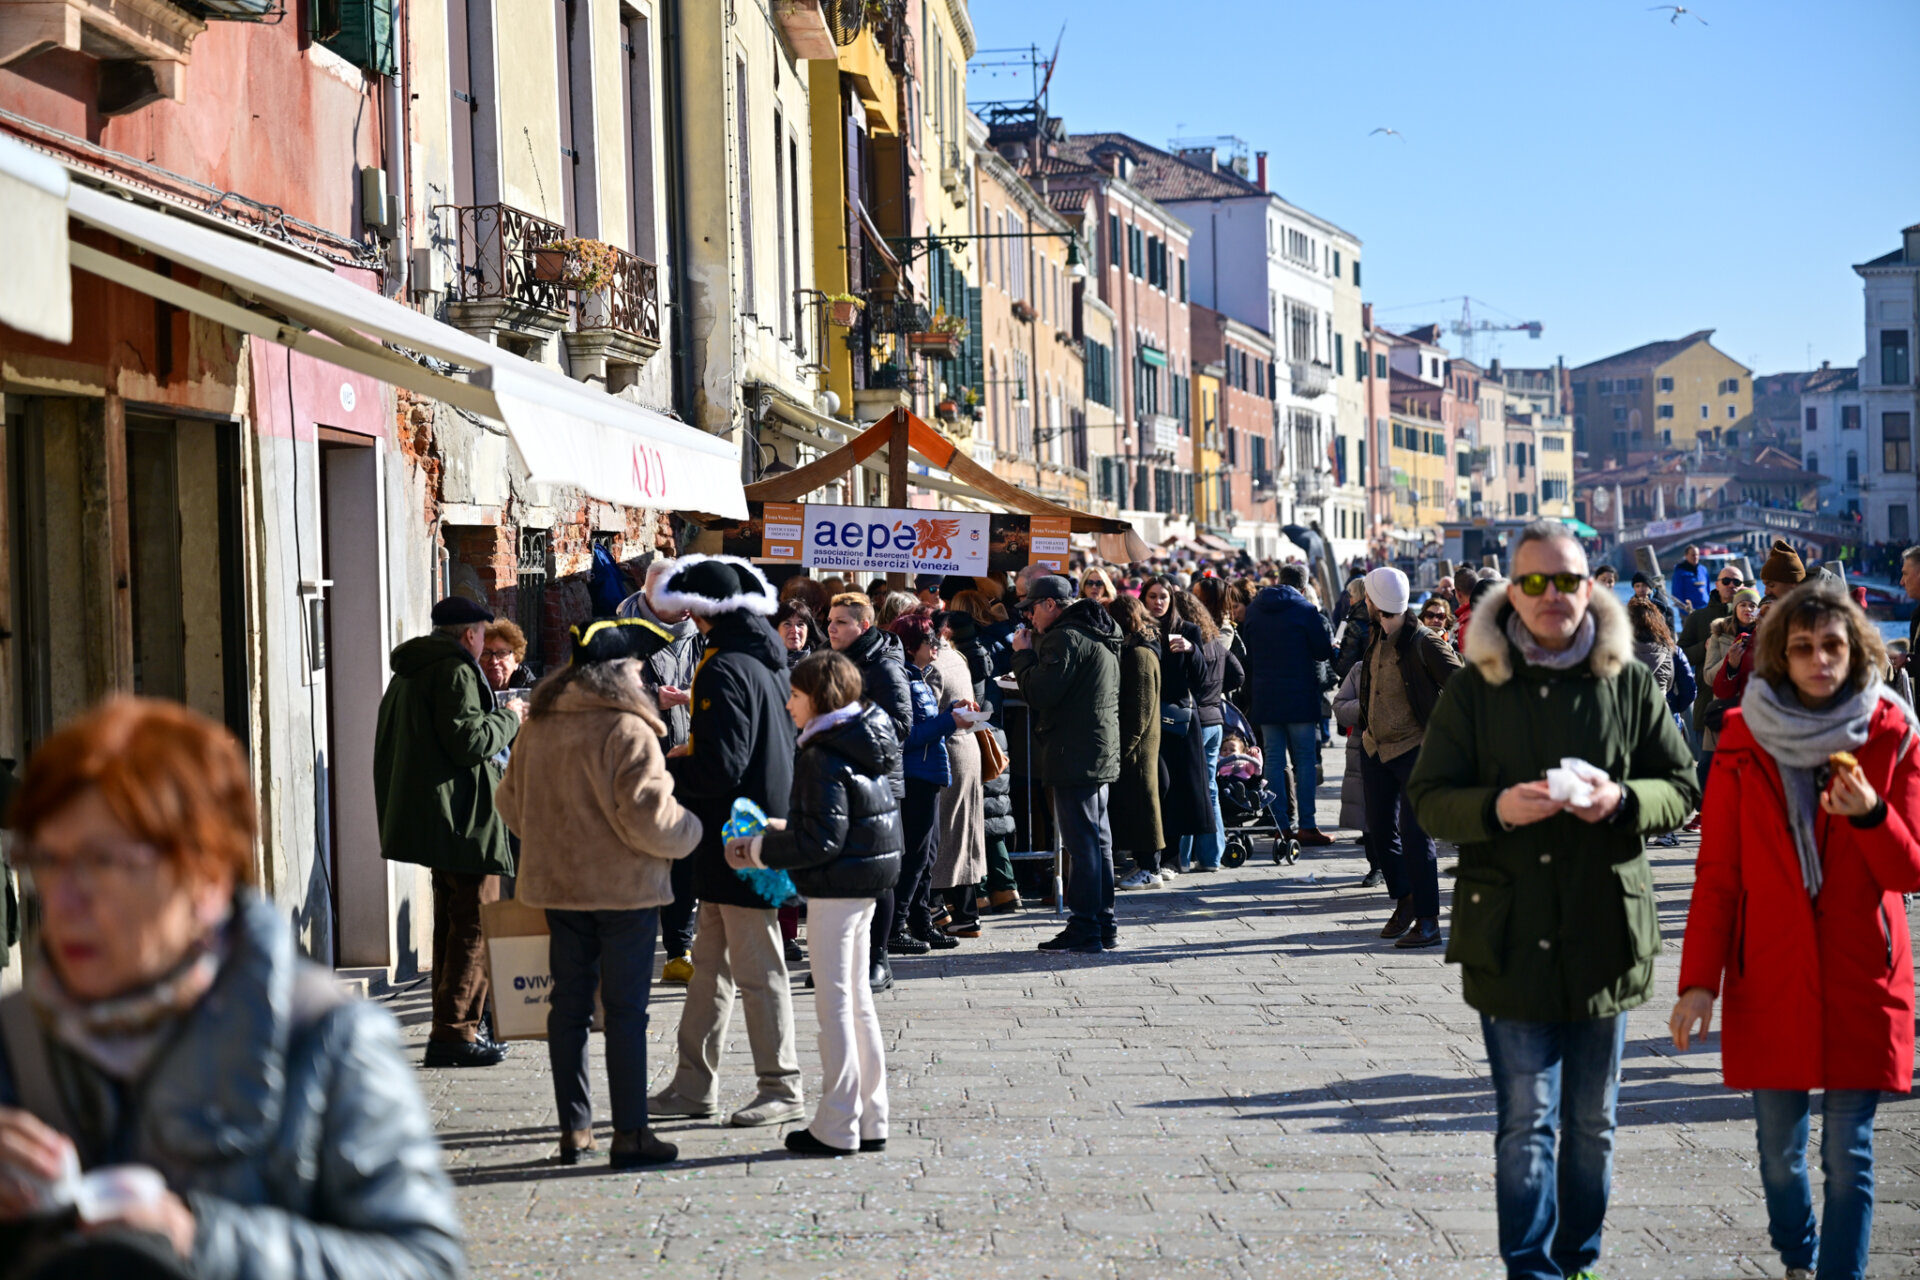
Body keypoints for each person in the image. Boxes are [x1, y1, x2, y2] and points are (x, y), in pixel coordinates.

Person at [0, 698, 462, 1277]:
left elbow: (424, 1263)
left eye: (103, 862)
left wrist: (199, 1239)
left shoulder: (324, 1035)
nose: (64, 901)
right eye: (46, 859)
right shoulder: (15, 1035)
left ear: (207, 878)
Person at [1406, 521, 1699, 1280]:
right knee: (1526, 1124)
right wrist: (1498, 808)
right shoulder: (1476, 686)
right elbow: (1430, 799)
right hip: (1510, 936)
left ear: (1590, 586)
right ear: (1511, 590)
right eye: (1533, 582)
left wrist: (1624, 799)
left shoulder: (1628, 679)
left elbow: (1682, 787)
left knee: (1592, 1124)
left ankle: (1579, 1263)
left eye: (1567, 580)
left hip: (1607, 930)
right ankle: (1529, 1271)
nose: (1552, 596)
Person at [1671, 582, 1920, 1280]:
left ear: (1856, 650)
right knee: (1779, 1157)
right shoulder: (1743, 741)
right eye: (1803, 647)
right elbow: (1718, 874)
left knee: (1851, 1157)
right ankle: (1797, 1256)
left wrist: (1870, 814)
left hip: (1861, 969)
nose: (1818, 660)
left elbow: (1910, 871)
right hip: (1770, 971)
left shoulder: (1892, 735)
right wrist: (1698, 985)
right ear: (1781, 654)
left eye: (1832, 646)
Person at [496, 621, 702, 1169]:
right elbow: (651, 819)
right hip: (623, 891)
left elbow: (510, 807)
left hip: (558, 888)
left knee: (567, 1006)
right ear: (620, 674)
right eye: (637, 669)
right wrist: (693, 832)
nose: (644, 678)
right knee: (624, 1011)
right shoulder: (626, 729)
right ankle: (631, 1134)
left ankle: (575, 1130)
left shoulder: (538, 724)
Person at [646, 556, 803, 1130]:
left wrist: (670, 773)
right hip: (740, 833)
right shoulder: (760, 658)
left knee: (759, 969)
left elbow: (723, 764)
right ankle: (693, 1084)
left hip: (742, 837)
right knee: (710, 967)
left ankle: (781, 1086)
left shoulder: (724, 667)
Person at [728, 651, 902, 1158]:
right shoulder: (860, 737)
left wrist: (755, 850)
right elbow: (839, 823)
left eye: (797, 695)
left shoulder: (822, 751)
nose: (789, 704)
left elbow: (823, 838)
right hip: (864, 879)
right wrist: (781, 831)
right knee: (856, 1005)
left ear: (819, 698)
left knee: (837, 1008)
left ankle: (837, 1123)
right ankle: (870, 1118)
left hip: (839, 886)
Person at [374, 596, 523, 1068]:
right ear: (470, 635)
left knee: (453, 922)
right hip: (465, 819)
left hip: (441, 817)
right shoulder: (455, 671)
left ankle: (452, 1026)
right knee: (474, 925)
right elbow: (470, 742)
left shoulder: (411, 670)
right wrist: (510, 717)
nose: (483, 644)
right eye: (482, 634)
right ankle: (457, 1032)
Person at [1011, 574, 1122, 952]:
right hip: (1094, 749)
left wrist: (1023, 655)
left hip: (1075, 753)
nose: (1028, 619)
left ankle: (1087, 925)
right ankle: (1102, 922)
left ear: (1049, 605)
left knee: (1084, 843)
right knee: (1098, 840)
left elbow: (1040, 692)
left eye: (1030, 609)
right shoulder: (1098, 634)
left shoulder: (1065, 637)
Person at [1353, 567, 1462, 944]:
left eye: (1367, 597)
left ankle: (1429, 921)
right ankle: (1406, 898)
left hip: (1417, 749)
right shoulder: (1377, 635)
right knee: (1381, 831)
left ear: (1375, 601)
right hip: (1376, 748)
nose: (1364, 602)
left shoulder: (1424, 640)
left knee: (1417, 834)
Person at [618, 560, 705, 985]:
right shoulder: (618, 634)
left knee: (682, 859)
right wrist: (656, 698)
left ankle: (678, 948)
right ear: (652, 598)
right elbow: (600, 691)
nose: (687, 606)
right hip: (638, 763)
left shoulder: (702, 633)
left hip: (689, 762)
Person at [828, 592, 913, 991]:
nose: (831, 627)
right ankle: (841, 958)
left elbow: (899, 726)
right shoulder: (831, 663)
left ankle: (878, 960)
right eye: (830, 620)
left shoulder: (884, 666)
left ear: (863, 626)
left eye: (841, 621)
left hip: (876, 783)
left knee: (875, 875)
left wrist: (845, 727)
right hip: (834, 781)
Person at [1240, 563, 1337, 846]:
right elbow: (1321, 652)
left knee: (1273, 759)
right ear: (1303, 587)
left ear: (1277, 581)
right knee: (1305, 760)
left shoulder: (1256, 608)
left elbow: (1249, 649)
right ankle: (1307, 825)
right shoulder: (1306, 610)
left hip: (1266, 695)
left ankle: (1280, 824)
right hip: (1299, 695)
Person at [884, 611, 955, 956]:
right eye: (931, 640)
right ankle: (897, 926)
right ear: (913, 646)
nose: (937, 646)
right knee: (914, 855)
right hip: (914, 775)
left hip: (928, 775)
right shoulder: (905, 681)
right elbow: (906, 736)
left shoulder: (918, 677)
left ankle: (920, 922)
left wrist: (952, 713)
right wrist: (949, 721)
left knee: (927, 855)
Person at [920, 612, 988, 939]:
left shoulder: (933, 666)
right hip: (966, 749)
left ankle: (937, 909)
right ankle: (966, 914)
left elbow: (926, 713)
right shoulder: (956, 656)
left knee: (942, 836)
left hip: (949, 749)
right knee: (963, 834)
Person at [1175, 587, 1241, 874]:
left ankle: (1182, 856)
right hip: (1215, 720)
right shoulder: (1215, 640)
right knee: (1209, 788)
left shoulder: (1189, 641)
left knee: (1186, 788)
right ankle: (1212, 856)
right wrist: (1216, 694)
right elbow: (1238, 674)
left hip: (1196, 720)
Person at [1109, 593, 1166, 889]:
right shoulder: (1138, 649)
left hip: (1140, 746)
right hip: (1141, 743)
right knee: (1141, 803)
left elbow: (1139, 712)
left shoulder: (1140, 655)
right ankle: (1146, 864)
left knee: (1145, 805)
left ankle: (1150, 868)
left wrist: (1124, 747)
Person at [481, 618, 536, 693]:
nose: (494, 661)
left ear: (516, 660)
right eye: (486, 653)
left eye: (502, 653)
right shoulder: (468, 690)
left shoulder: (534, 694)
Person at [773, 599, 821, 669]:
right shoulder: (765, 663)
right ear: (776, 630)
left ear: (808, 630)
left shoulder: (820, 664)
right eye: (787, 624)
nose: (795, 630)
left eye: (800, 624)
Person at [1669, 543, 1712, 611]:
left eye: (1697, 555)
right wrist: (1685, 610)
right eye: (1693, 555)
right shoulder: (1680, 572)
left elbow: (1708, 589)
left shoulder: (1703, 570)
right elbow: (1676, 594)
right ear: (1686, 556)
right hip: (1688, 611)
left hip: (1705, 610)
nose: (1696, 557)